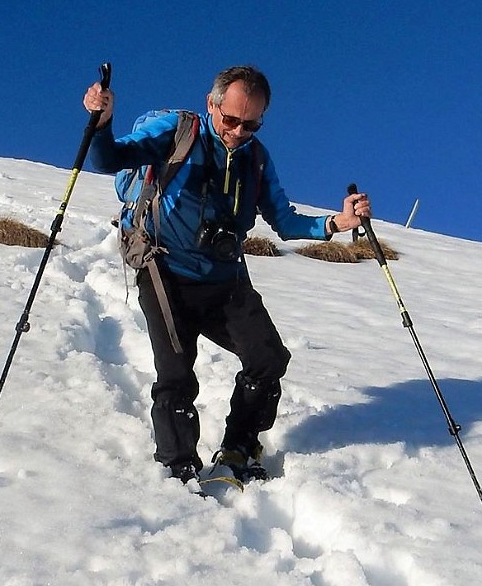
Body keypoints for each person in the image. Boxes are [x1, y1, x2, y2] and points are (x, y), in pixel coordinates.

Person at [84, 66, 372, 484]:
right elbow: (110, 159)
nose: (238, 130)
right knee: (176, 373)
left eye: (251, 123)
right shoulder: (177, 131)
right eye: (230, 119)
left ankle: (239, 446)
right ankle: (179, 465)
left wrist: (336, 224)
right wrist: (102, 122)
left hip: (224, 278)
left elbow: (285, 221)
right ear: (211, 104)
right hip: (164, 268)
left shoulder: (256, 159)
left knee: (268, 358)